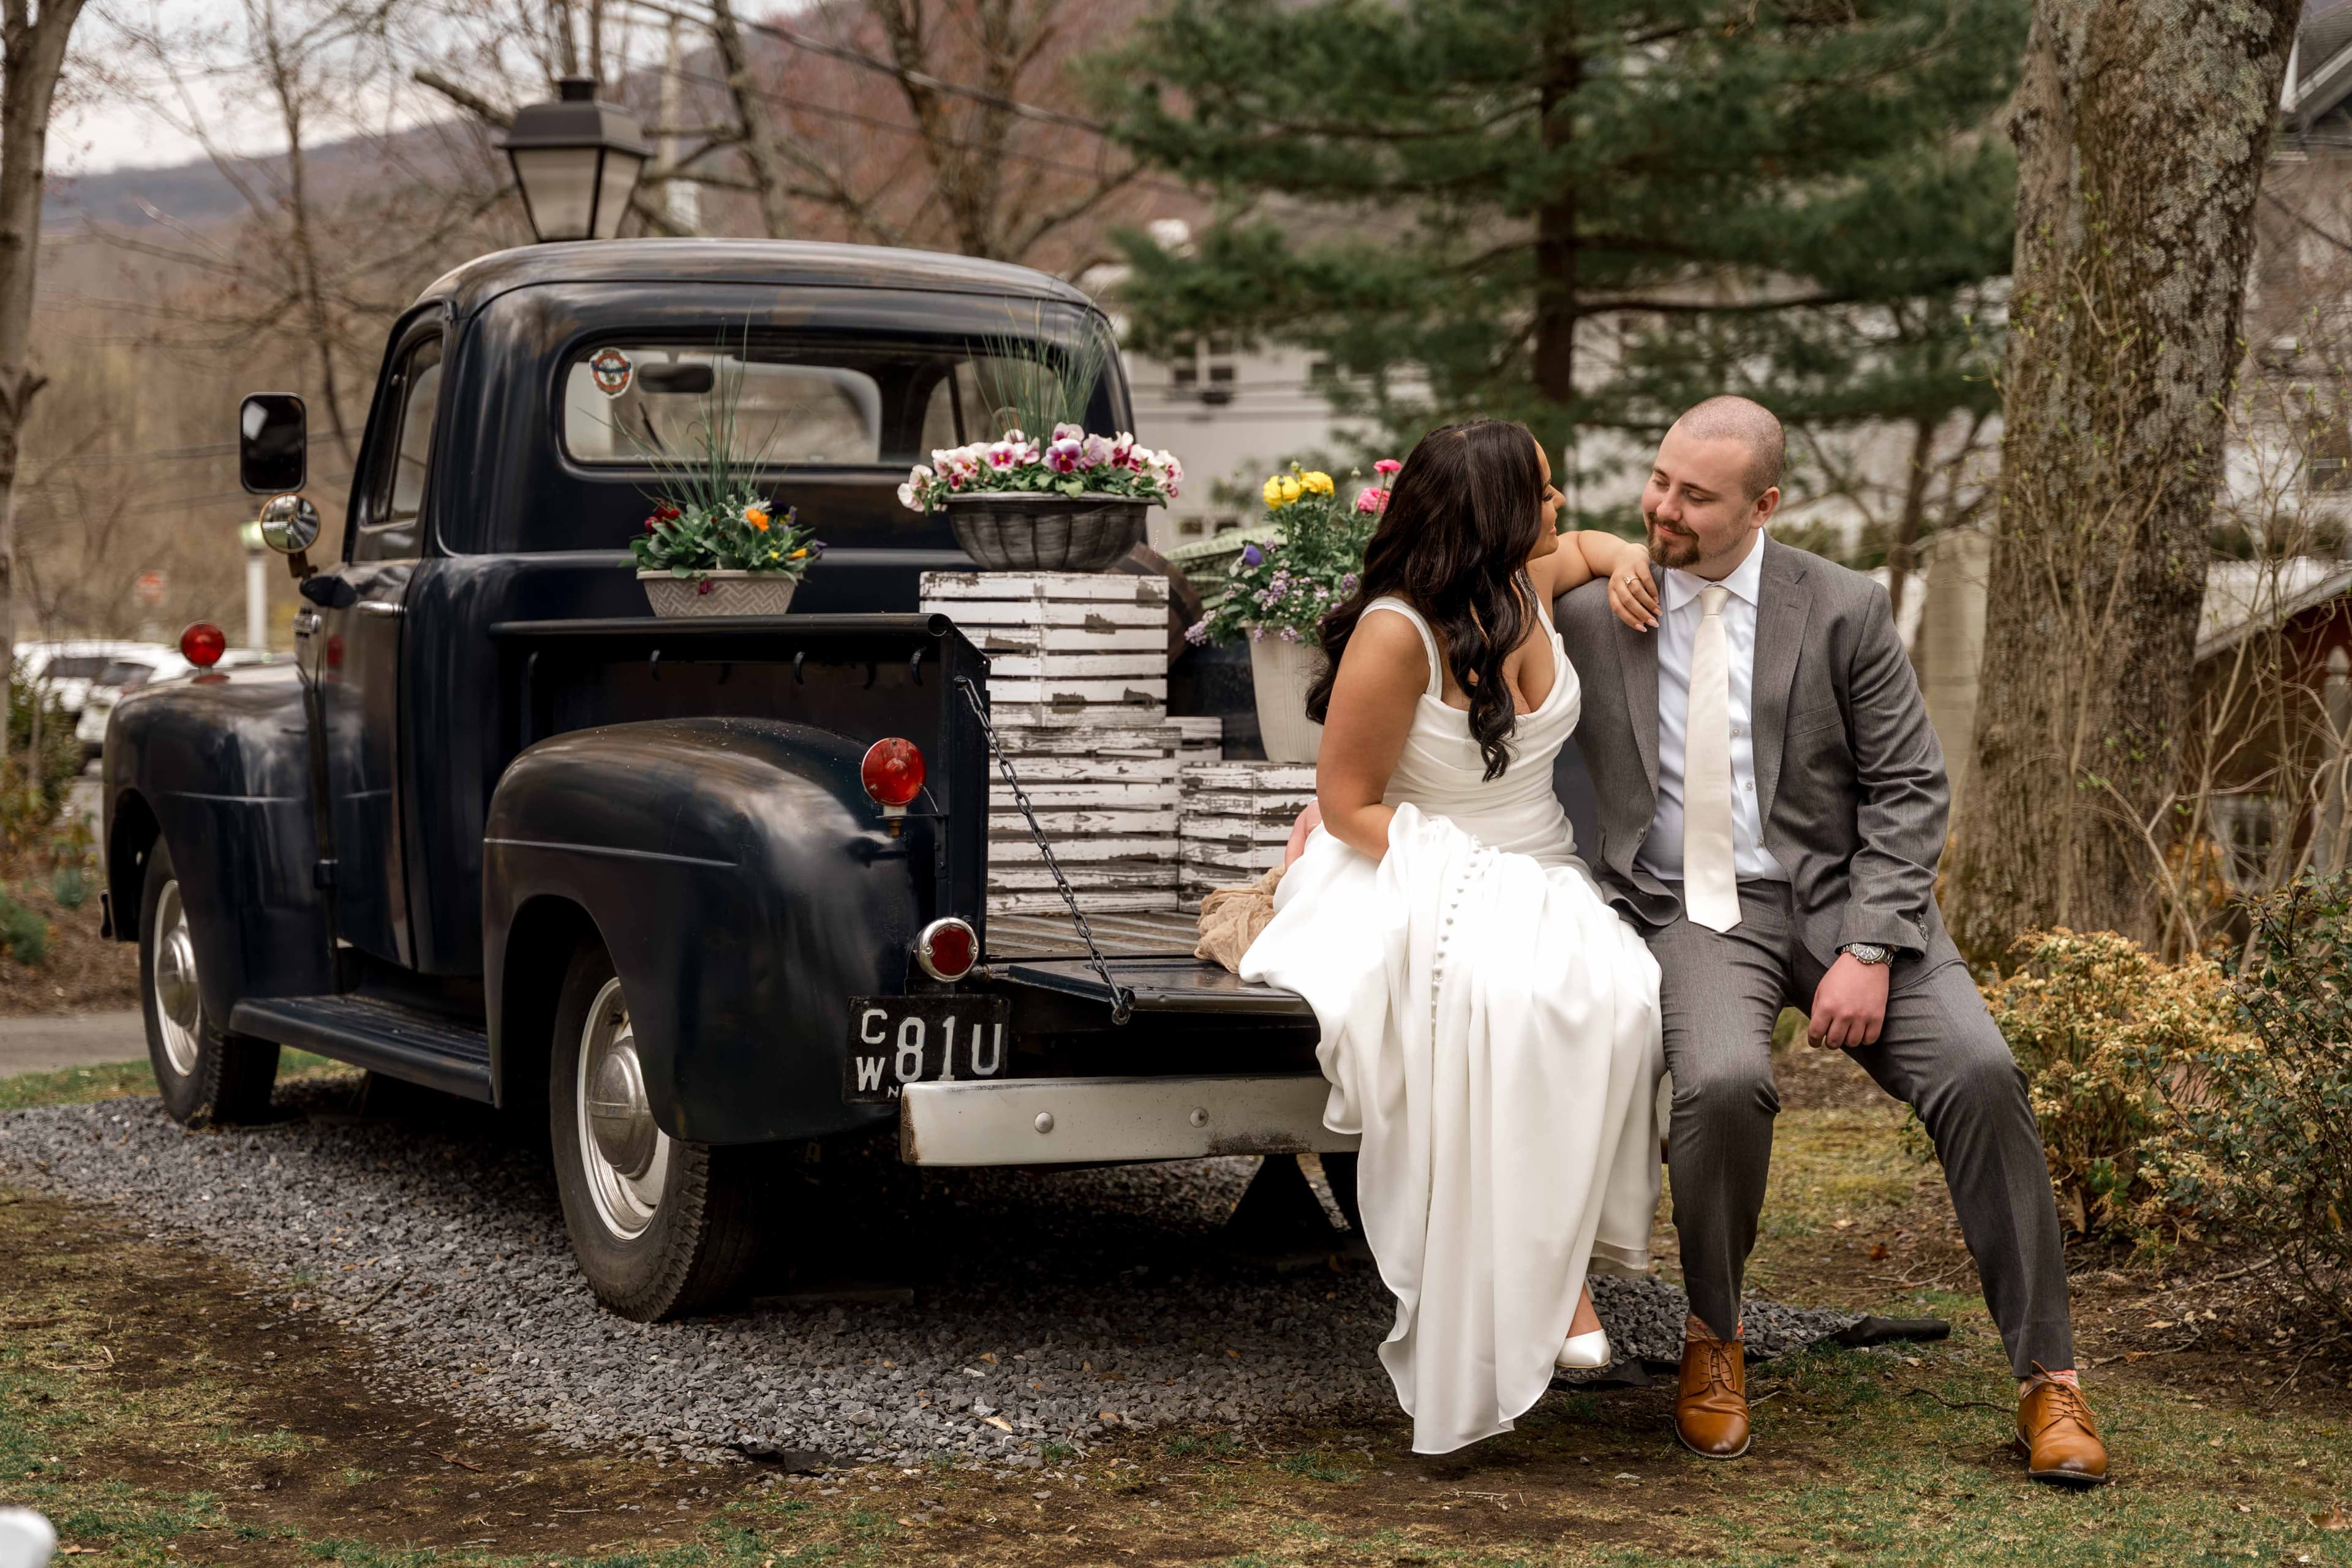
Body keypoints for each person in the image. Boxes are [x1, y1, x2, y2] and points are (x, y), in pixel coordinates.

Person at [1555, 395, 2109, 1486]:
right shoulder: (1593, 606)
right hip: (1691, 907)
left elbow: (1910, 787)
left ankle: (2050, 1377)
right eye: (1659, 481)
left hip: (1847, 895)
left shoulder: (1844, 606)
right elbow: (1457, 600)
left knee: (1983, 1072)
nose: (1664, 507)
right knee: (1718, 1084)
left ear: (1764, 505)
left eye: (1694, 497)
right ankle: (1716, 1340)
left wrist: (1868, 945)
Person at [1238, 418, 1665, 1455]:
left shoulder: (1527, 578)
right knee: (1495, 997)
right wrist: (1464, 876)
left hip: (1544, 861)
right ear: (1493, 515)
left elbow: (1593, 546)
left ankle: (1556, 1262)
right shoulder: (1399, 631)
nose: (1561, 508)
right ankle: (1538, 1301)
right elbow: (1344, 804)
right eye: (1547, 493)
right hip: (1409, 856)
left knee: (1622, 994)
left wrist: (1631, 560)